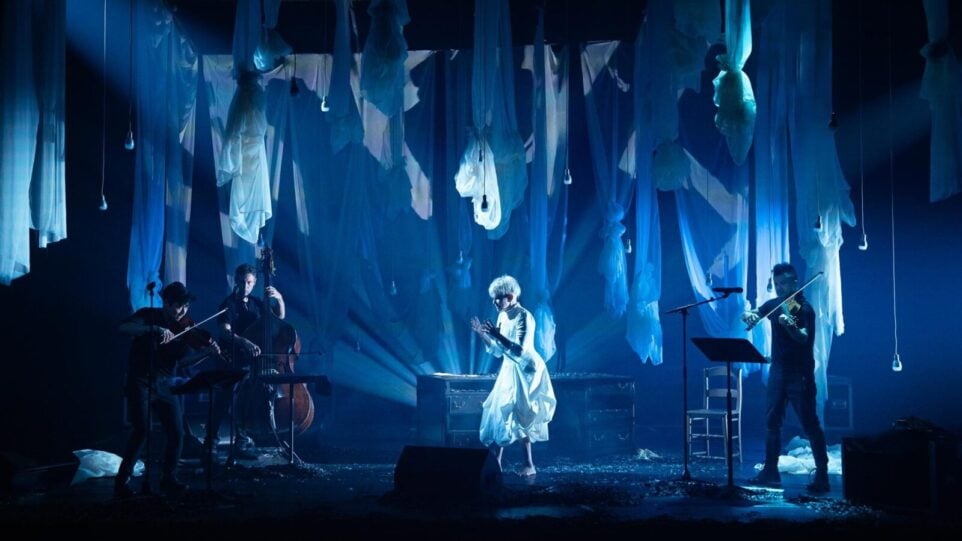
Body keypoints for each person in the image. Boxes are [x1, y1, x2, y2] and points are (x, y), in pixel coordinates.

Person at [115, 281, 221, 498]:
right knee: (141, 430)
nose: (182, 312)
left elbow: (183, 363)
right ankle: (122, 481)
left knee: (177, 432)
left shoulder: (185, 327)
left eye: (186, 307)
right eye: (178, 306)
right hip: (140, 381)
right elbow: (123, 328)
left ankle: (168, 479)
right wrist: (153, 329)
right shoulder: (148, 314)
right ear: (166, 302)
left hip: (164, 384)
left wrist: (206, 353)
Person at [742, 263, 830, 493]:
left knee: (809, 423)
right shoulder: (774, 304)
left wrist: (790, 325)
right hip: (778, 371)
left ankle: (822, 475)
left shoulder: (804, 309)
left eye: (785, 283)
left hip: (799, 373)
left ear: (795, 282)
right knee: (772, 422)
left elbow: (803, 338)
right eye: (777, 284)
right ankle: (770, 471)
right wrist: (749, 315)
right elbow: (755, 313)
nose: (780, 288)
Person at [471, 275, 556, 477]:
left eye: (498, 298)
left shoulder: (524, 316)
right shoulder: (502, 315)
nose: (494, 302)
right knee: (502, 412)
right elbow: (498, 350)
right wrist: (483, 334)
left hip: (526, 370)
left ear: (510, 297)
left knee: (520, 414)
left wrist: (497, 335)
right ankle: (497, 462)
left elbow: (519, 350)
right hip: (509, 368)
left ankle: (529, 464)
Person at [206, 263, 287, 455]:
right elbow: (224, 332)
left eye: (249, 282)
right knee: (223, 401)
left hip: (250, 361)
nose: (245, 286)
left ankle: (242, 440)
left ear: (255, 282)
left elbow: (279, 320)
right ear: (236, 281)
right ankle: (210, 443)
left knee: (246, 400)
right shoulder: (228, 304)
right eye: (242, 282)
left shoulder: (256, 303)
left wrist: (279, 299)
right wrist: (245, 342)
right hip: (229, 359)